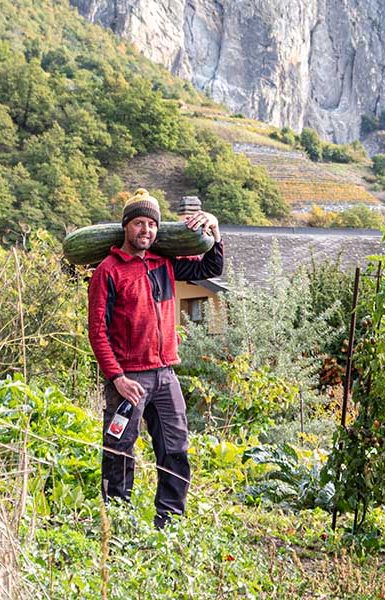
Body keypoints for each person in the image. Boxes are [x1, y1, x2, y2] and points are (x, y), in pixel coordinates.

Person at [87, 188, 223, 528]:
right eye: (138, 223)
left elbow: (211, 265)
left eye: (151, 224)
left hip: (165, 376)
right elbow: (97, 332)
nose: (145, 230)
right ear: (125, 228)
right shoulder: (108, 270)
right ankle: (117, 522)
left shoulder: (165, 262)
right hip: (128, 380)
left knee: (175, 449)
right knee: (119, 450)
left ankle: (170, 521)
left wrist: (215, 230)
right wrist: (116, 377)